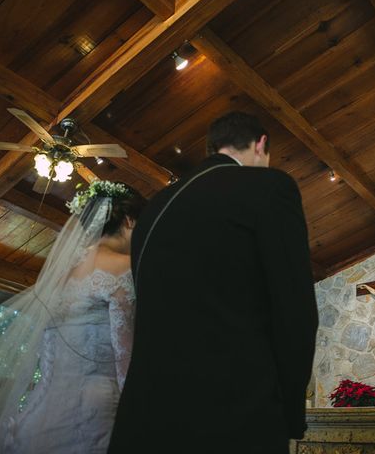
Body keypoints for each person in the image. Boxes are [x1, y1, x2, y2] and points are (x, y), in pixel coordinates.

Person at [109, 112, 318, 453]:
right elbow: (295, 310)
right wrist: (292, 413)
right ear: (261, 144)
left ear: (212, 147)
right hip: (233, 415)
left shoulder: (153, 210)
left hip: (144, 417)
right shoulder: (271, 188)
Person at [0, 180, 146, 453]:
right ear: (130, 221)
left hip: (42, 409)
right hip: (98, 411)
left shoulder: (59, 278)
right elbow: (124, 360)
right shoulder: (123, 270)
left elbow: (47, 354)